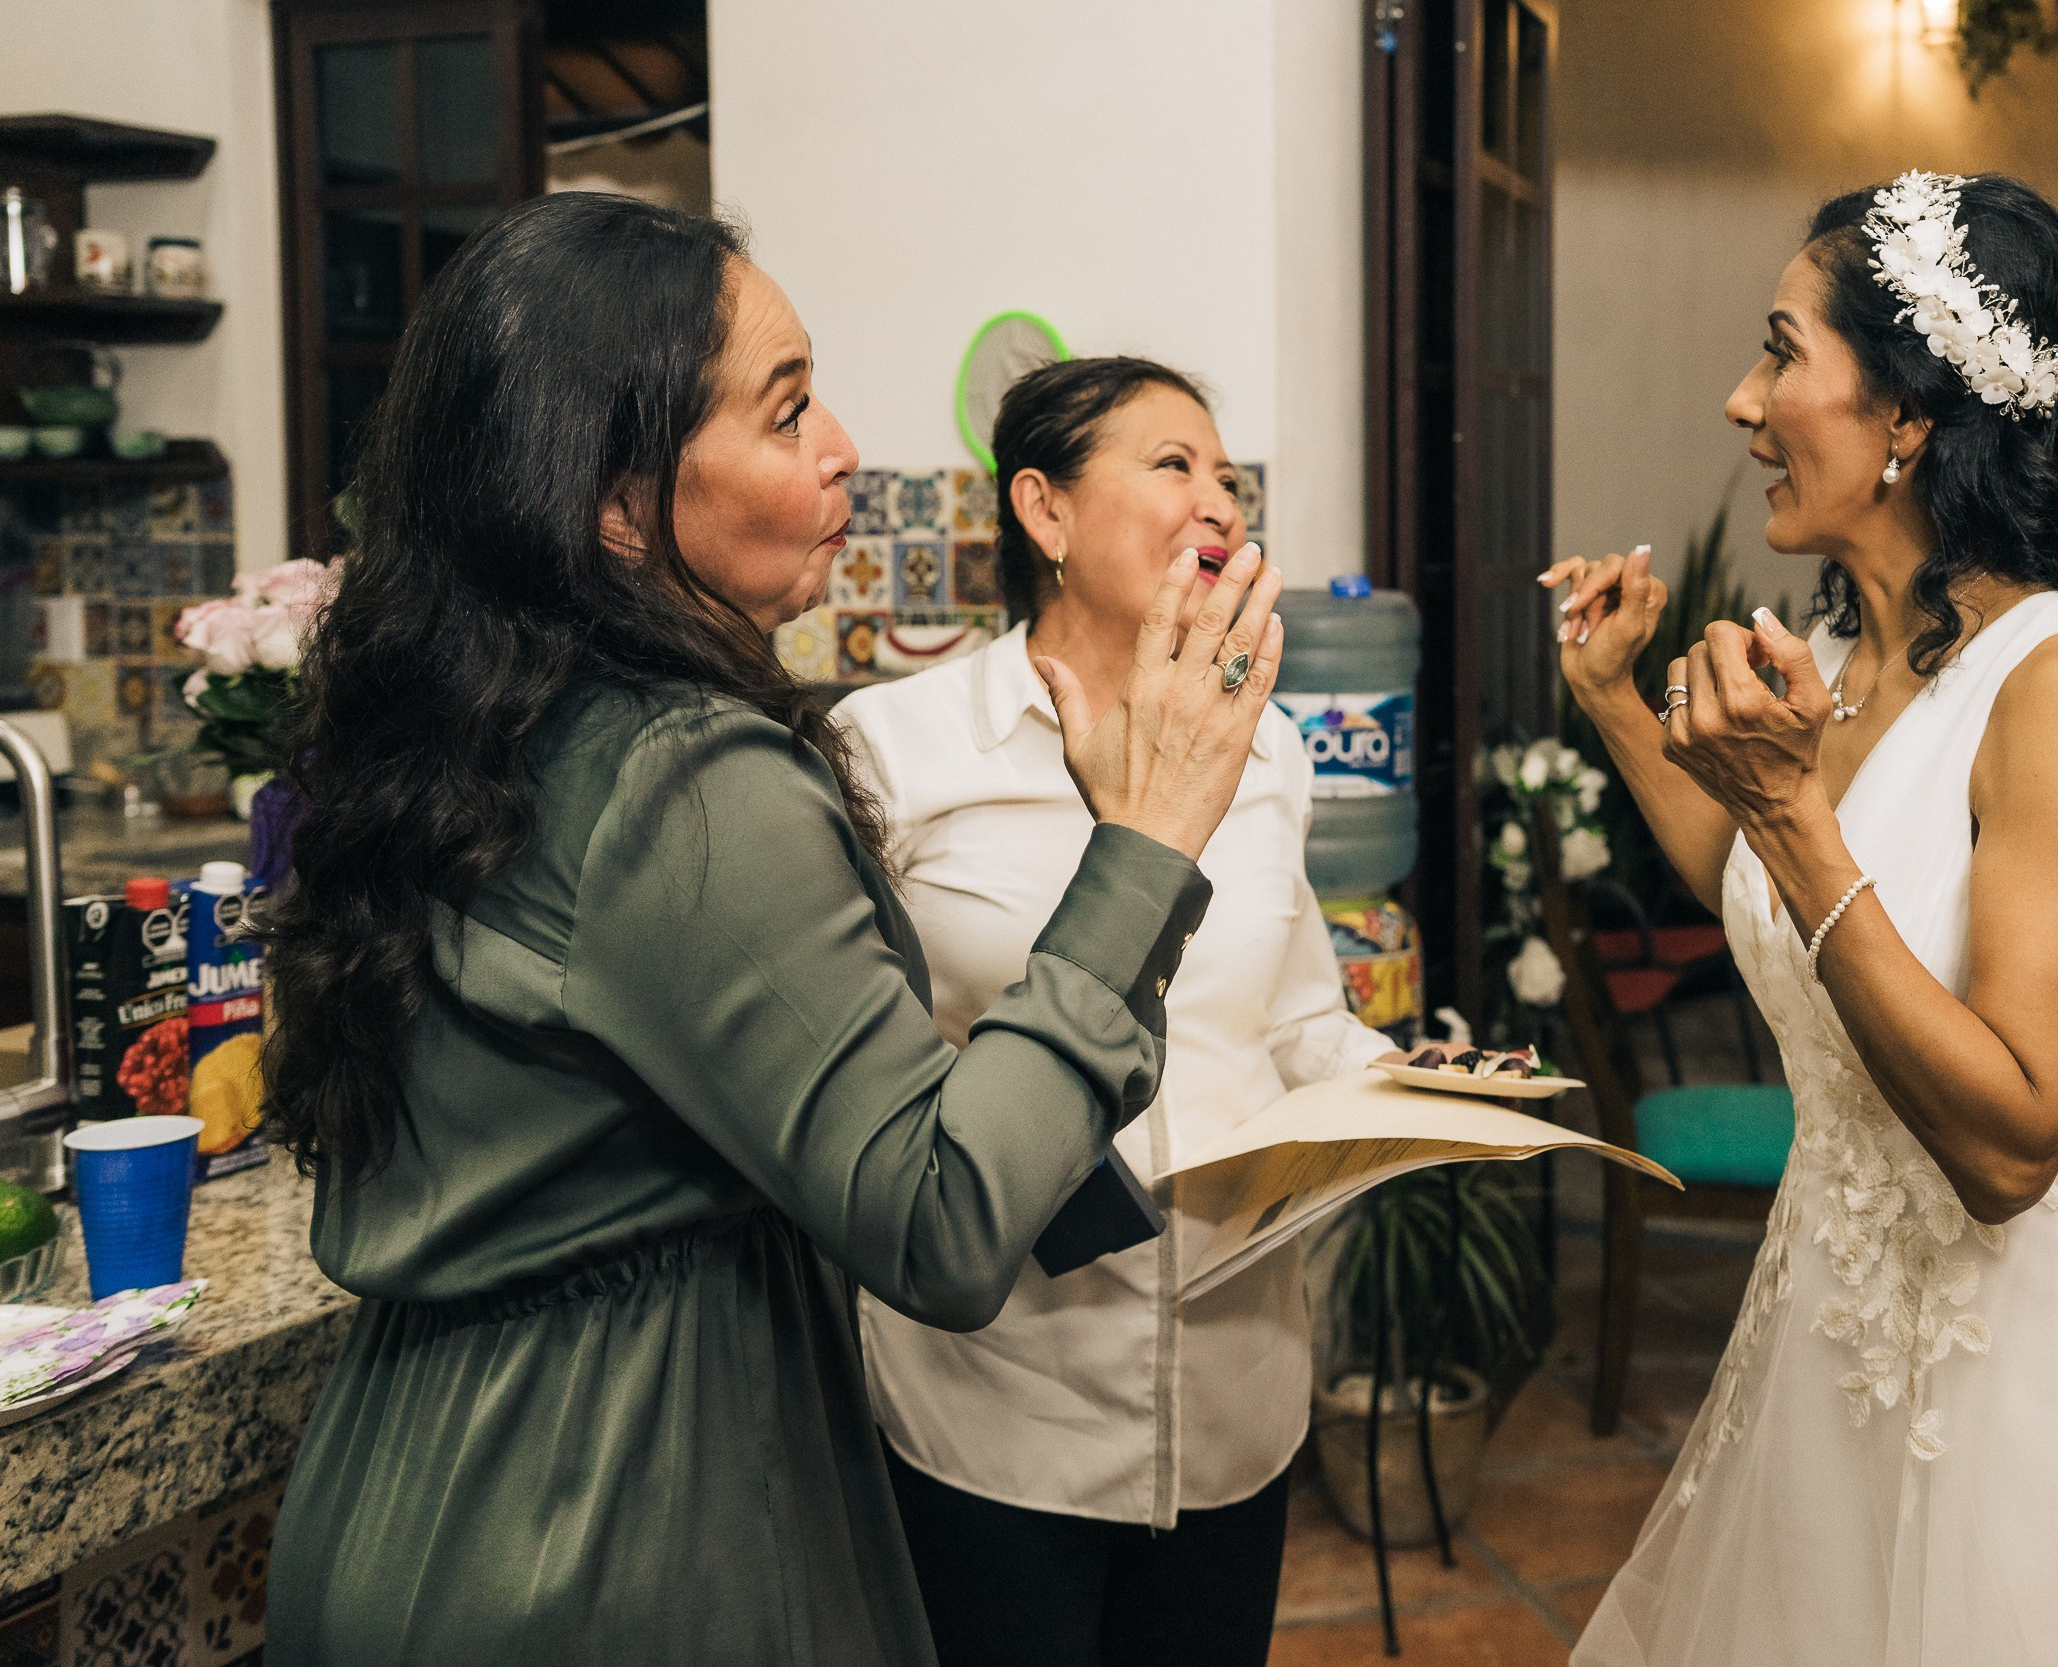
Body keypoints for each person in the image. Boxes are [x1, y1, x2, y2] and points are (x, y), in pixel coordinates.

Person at [257, 194, 1288, 1666]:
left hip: (414, 1479)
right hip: (608, 1522)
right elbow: (938, 1221)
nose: (844, 449)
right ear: (616, 501)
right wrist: (1147, 841)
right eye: (788, 408)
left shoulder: (478, 728)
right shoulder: (680, 774)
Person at [1548, 172, 2058, 1666]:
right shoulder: (1859, 656)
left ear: (1908, 415)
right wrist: (1617, 707)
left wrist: (1791, 816)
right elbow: (1773, 897)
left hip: (2033, 1386)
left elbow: (2011, 1145)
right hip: (1830, 1364)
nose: (1743, 399)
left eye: (1781, 350)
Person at [834, 356, 1394, 1667]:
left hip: (1233, 1392)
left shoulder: (1265, 749)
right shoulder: (892, 751)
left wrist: (1430, 1091)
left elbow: (1304, 1019)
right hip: (996, 1394)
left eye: (1227, 477)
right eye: (1171, 466)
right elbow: (857, 1075)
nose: (1219, 503)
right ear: (1046, 512)